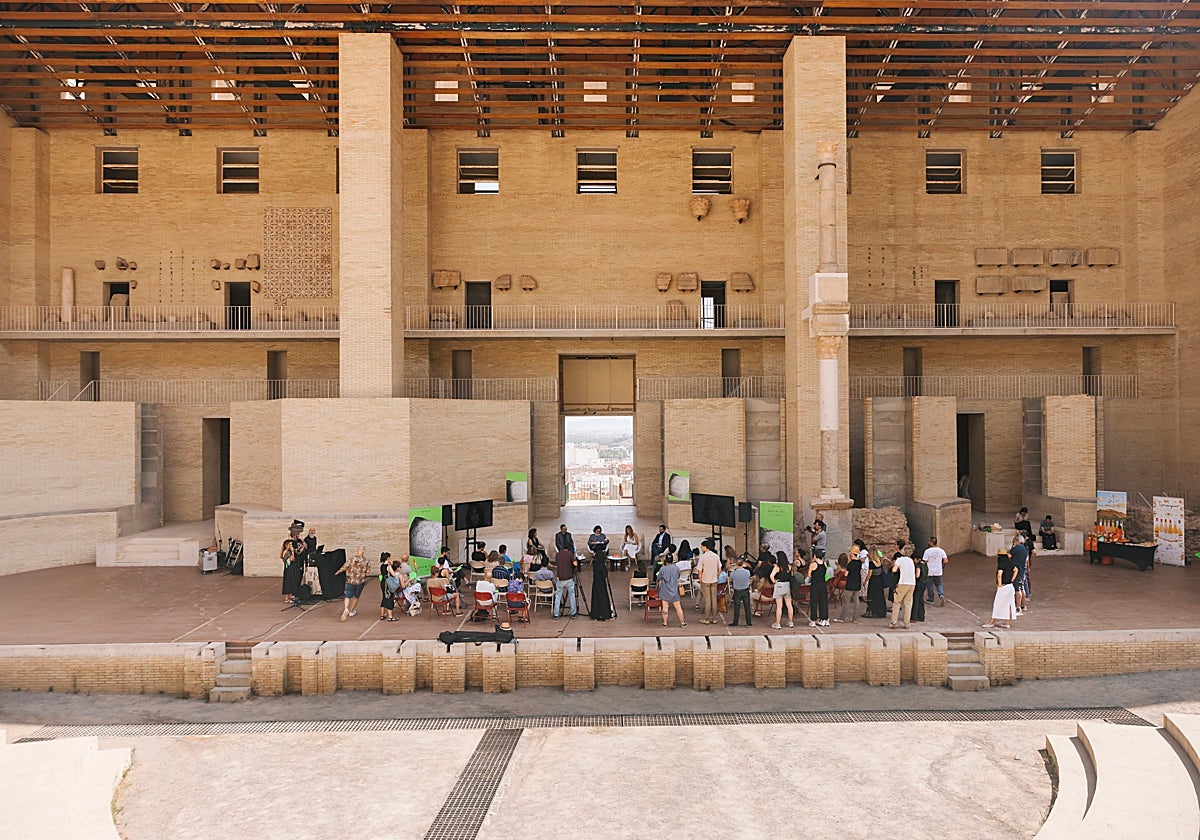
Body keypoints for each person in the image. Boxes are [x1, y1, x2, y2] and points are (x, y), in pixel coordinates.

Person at [335, 545, 372, 622]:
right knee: (356, 596)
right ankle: (351, 610)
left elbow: (344, 567)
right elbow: (368, 571)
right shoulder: (366, 561)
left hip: (351, 580)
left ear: (357, 551)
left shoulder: (351, 559)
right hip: (360, 581)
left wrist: (338, 572)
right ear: (363, 551)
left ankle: (346, 608)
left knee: (347, 596)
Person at [983, 549, 1018, 629]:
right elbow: (1016, 570)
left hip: (1004, 587)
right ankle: (1007, 622)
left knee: (998, 604)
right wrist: (1012, 579)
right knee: (1008, 604)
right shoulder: (1010, 563)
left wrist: (999, 584)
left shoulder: (1001, 564)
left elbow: (999, 574)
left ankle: (992, 621)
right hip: (1010, 586)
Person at [656, 555, 687, 628]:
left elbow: (659, 577)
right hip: (674, 589)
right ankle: (682, 622)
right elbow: (678, 576)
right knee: (678, 607)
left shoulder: (662, 569)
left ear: (665, 560)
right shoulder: (676, 568)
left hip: (665, 590)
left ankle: (665, 623)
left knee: (665, 607)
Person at [280, 522, 306, 605]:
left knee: (293, 581)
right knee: (288, 582)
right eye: (290, 544)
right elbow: (291, 559)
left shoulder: (296, 544)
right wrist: (291, 550)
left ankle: (291, 595)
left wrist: (301, 547)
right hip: (289, 568)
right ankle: (287, 597)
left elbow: (299, 552)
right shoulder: (286, 552)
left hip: (294, 567)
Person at [695, 538, 721, 625]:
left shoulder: (703, 557)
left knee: (707, 599)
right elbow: (719, 568)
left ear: (705, 547)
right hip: (714, 580)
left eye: (702, 547)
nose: (701, 548)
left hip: (705, 580)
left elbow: (699, 570)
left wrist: (700, 580)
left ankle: (706, 618)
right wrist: (716, 576)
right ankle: (714, 618)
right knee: (714, 599)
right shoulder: (716, 556)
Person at [589, 542, 615, 621]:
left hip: (596, 583)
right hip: (602, 584)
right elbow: (605, 575)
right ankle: (605, 614)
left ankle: (596, 614)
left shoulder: (595, 564)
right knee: (603, 598)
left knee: (596, 598)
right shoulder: (602, 565)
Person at [769, 550, 795, 630]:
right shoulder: (789, 566)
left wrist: (774, 581)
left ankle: (778, 623)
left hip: (779, 585)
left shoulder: (777, 567)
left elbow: (771, 576)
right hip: (787, 585)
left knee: (779, 606)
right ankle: (790, 622)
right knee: (789, 605)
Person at [552, 547, 578, 619]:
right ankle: (573, 613)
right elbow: (575, 564)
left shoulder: (558, 554)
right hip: (569, 577)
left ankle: (556, 613)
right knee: (572, 595)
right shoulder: (570, 554)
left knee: (558, 595)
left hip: (560, 578)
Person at [862, 542, 887, 619]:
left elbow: (870, 574)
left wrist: (865, 581)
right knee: (879, 596)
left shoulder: (871, 563)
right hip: (879, 581)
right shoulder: (879, 562)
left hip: (873, 581)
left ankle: (871, 611)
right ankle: (881, 611)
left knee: (872, 595)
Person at [807, 548, 829, 627]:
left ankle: (813, 619)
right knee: (823, 601)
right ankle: (824, 618)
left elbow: (809, 575)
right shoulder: (824, 564)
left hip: (815, 584)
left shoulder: (813, 564)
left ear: (815, 555)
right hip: (823, 584)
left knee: (814, 601)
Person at [923, 537, 948, 606]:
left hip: (929, 571)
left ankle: (931, 599)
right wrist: (942, 566)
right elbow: (946, 560)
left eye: (929, 541)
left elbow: (925, 560)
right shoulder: (941, 551)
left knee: (930, 585)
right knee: (939, 584)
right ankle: (941, 595)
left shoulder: (927, 551)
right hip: (938, 571)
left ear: (931, 542)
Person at [729, 557, 753, 627]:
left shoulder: (733, 573)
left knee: (737, 607)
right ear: (743, 564)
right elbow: (749, 577)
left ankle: (735, 622)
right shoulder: (747, 572)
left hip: (737, 590)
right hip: (745, 590)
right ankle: (748, 622)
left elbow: (731, 580)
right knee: (747, 607)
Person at [835, 552, 859, 623]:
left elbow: (846, 574)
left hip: (850, 584)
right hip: (857, 583)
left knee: (846, 601)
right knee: (856, 601)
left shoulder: (850, 565)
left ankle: (842, 618)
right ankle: (855, 618)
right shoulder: (859, 562)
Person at [1009, 534, 1029, 615]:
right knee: (1022, 587)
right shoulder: (1024, 548)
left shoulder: (1016, 548)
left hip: (1017, 570)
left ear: (1017, 540)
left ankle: (1018, 606)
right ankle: (1023, 605)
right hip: (1023, 570)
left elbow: (1009, 555)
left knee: (1017, 589)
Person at [379, 551, 398, 621]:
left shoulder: (381, 566)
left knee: (384, 597)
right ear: (388, 558)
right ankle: (390, 616)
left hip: (383, 582)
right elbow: (393, 574)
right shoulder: (388, 566)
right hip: (388, 583)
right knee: (390, 597)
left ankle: (382, 615)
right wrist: (391, 566)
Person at [910, 550, 927, 623]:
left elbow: (917, 575)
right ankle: (921, 616)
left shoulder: (918, 565)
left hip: (919, 583)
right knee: (920, 599)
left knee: (916, 599)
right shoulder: (924, 563)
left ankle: (914, 616)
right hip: (924, 583)